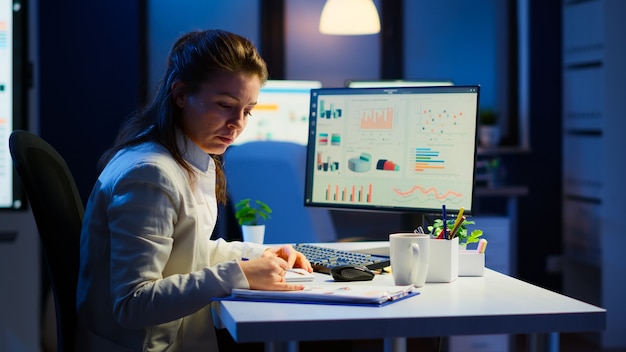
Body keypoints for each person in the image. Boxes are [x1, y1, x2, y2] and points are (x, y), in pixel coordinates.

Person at [75, 29, 313, 351]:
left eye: (247, 110)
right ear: (181, 94)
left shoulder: (187, 156)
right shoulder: (150, 174)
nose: (237, 123)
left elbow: (186, 254)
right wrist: (238, 275)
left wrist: (256, 256)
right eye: (225, 105)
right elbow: (133, 303)